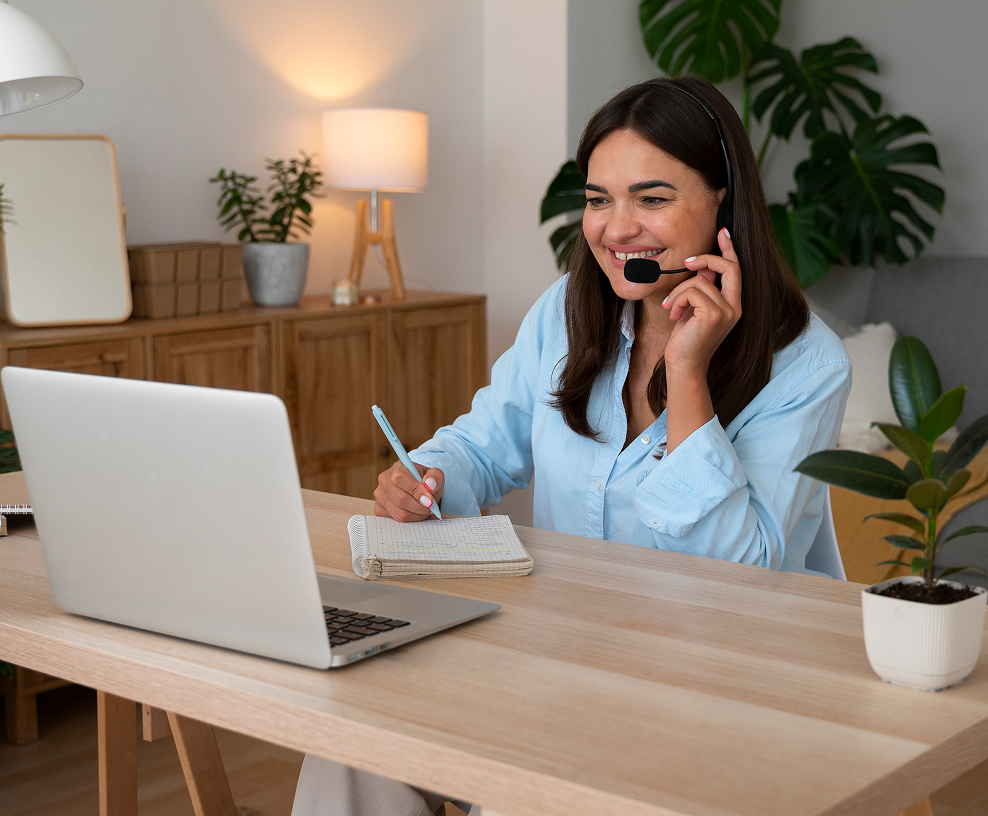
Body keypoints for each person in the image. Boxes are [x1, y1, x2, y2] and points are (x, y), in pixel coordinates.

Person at [292, 77, 851, 816]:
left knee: (526, 794)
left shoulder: (807, 365)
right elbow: (487, 443)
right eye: (597, 199)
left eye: (651, 199)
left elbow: (736, 580)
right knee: (352, 736)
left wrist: (686, 374)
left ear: (724, 202)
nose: (615, 230)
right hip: (556, 656)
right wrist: (431, 472)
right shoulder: (565, 311)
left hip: (714, 688)